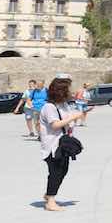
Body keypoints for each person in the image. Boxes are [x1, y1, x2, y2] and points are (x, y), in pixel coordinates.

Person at [39, 76, 85, 212]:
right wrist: (73, 117)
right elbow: (55, 125)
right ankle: (50, 201)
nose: (71, 92)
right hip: (52, 146)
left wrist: (76, 117)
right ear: (61, 91)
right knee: (55, 172)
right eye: (68, 89)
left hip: (62, 145)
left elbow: (68, 120)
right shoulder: (49, 107)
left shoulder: (63, 105)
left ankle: (48, 194)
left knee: (63, 170)